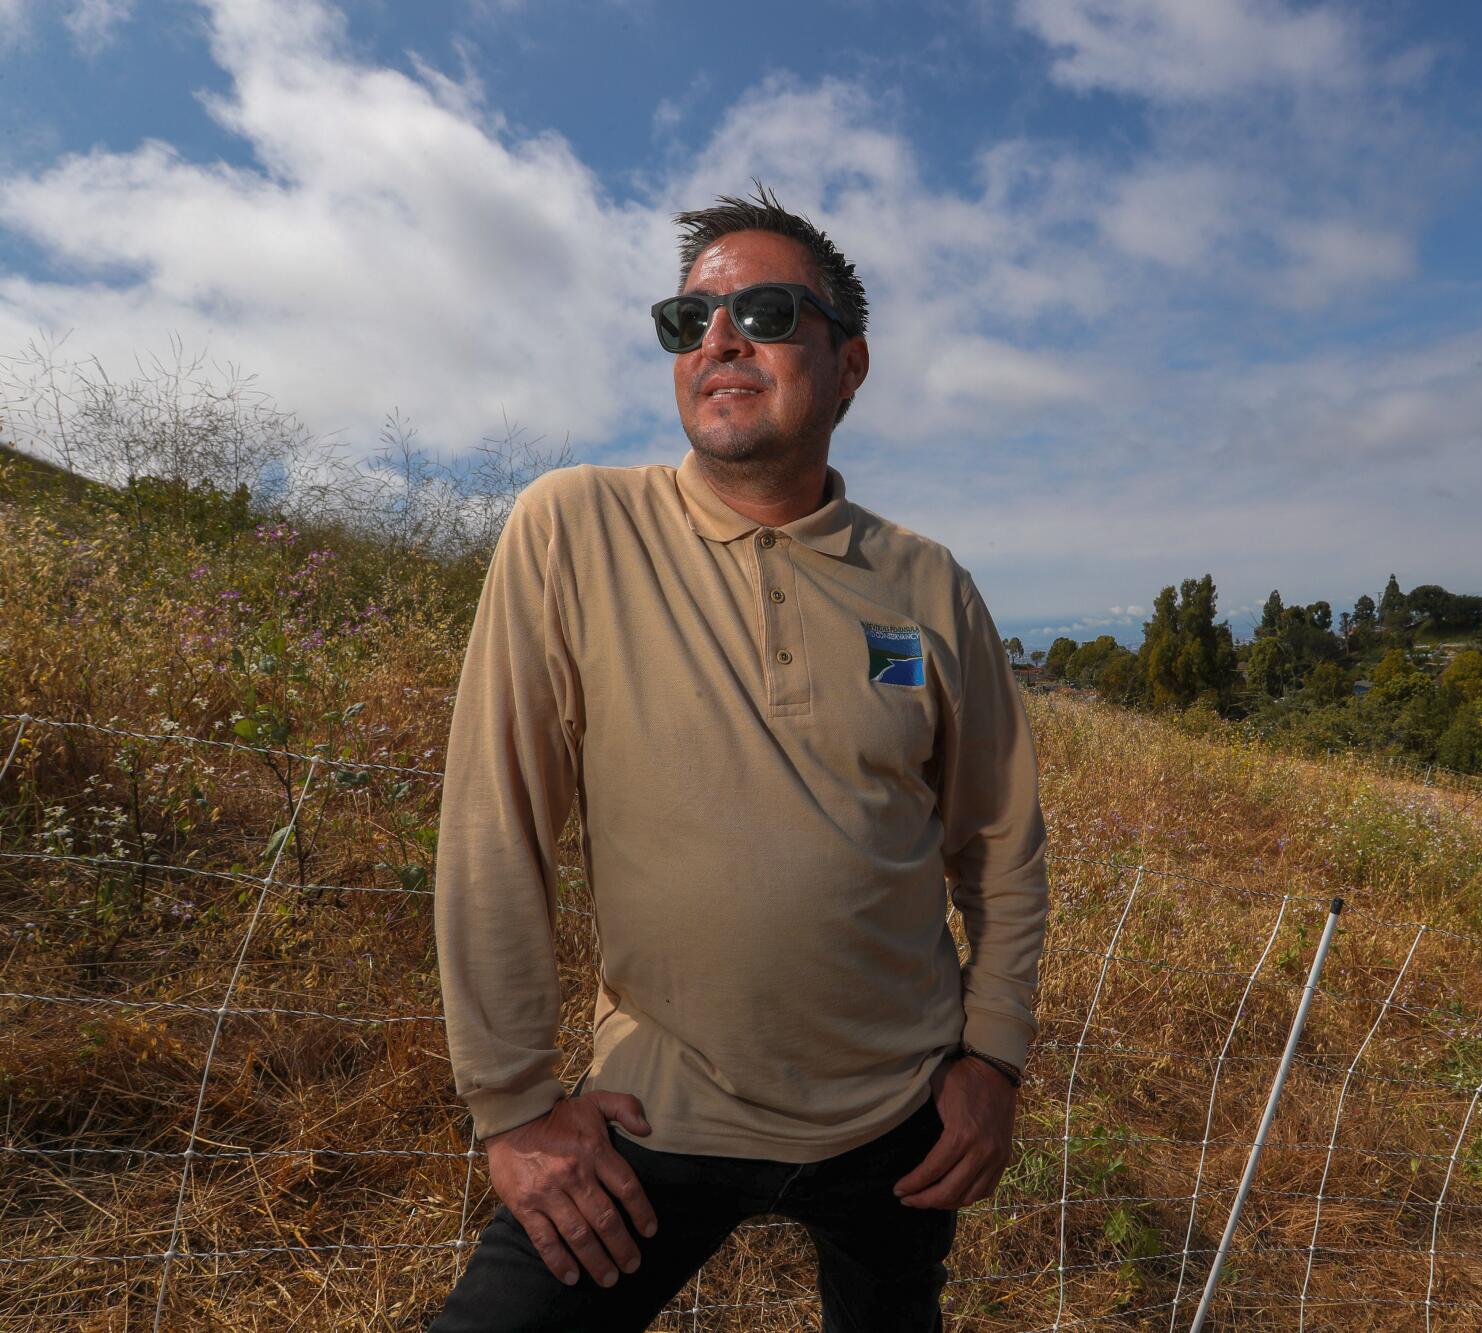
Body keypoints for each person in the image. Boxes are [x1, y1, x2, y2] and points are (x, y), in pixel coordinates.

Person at [427, 184, 1050, 1331]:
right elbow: (491, 830)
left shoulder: (928, 584)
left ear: (848, 363)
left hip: (902, 1125)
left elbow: (1000, 842)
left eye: (764, 312)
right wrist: (512, 1110)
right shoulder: (572, 528)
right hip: (658, 1115)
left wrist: (993, 1062)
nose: (717, 339)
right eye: (688, 319)